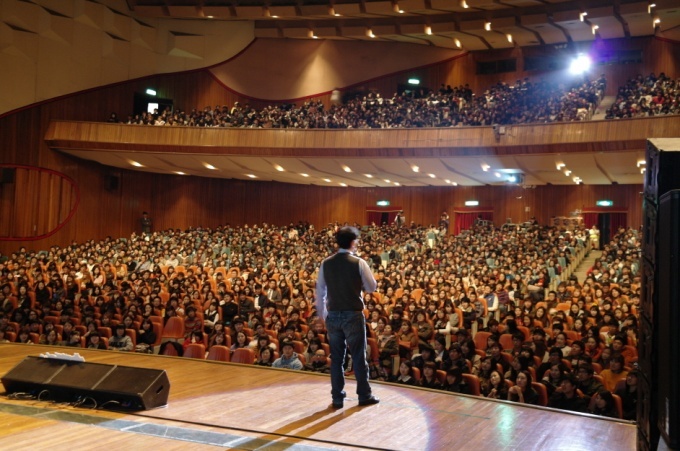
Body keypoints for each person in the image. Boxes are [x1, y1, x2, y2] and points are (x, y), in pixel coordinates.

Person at [315, 226, 379, 408]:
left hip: (333, 314)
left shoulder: (326, 263)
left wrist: (323, 315)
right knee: (358, 356)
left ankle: (337, 398)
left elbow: (320, 291)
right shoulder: (359, 263)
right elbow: (371, 287)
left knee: (336, 358)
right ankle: (364, 395)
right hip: (352, 314)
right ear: (353, 242)